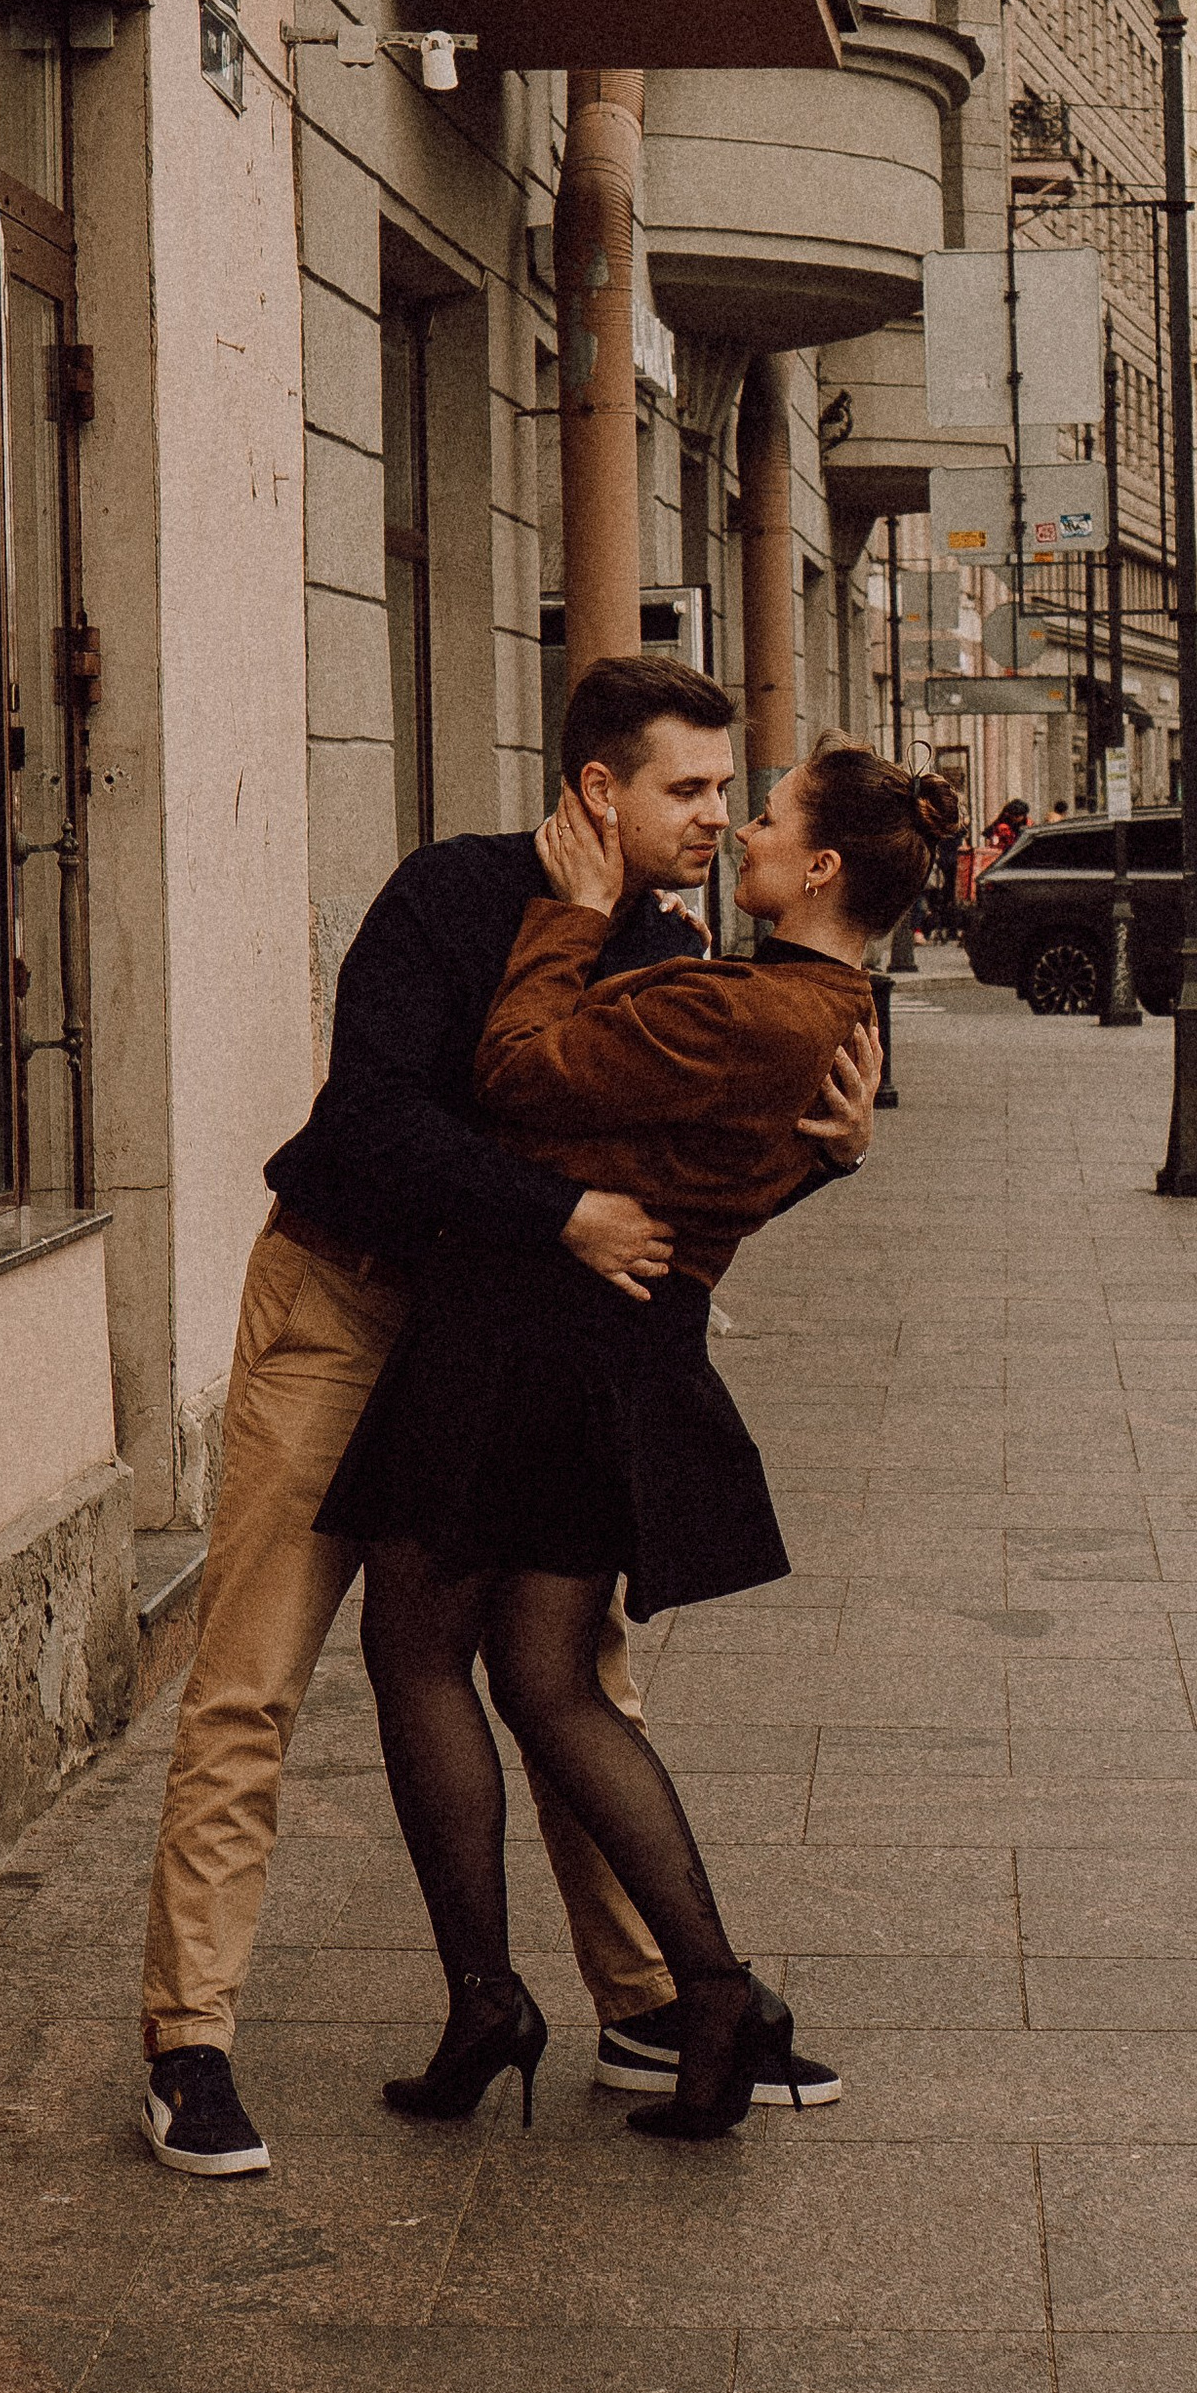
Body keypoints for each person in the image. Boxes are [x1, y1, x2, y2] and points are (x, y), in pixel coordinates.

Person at [136, 657, 879, 2181]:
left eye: (731, 794)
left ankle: (647, 2006)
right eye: (688, 790)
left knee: (570, 1674)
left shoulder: (671, 942)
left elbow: (685, 1161)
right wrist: (558, 1215)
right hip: (345, 1306)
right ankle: (187, 2040)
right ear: (598, 789)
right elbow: (378, 1119)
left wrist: (822, 1156)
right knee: (252, 1677)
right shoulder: (451, 898)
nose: (713, 818)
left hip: (499, 1339)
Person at [321, 746, 960, 2140]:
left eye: (772, 818)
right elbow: (717, 1181)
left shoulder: (760, 1009)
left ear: (824, 870)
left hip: (517, 1347)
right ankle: (711, 1999)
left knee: (420, 1655)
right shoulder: (828, 1016)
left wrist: (562, 908)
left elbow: (516, 1065)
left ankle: (509, 1997)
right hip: (599, 1361)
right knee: (549, 1683)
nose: (744, 833)